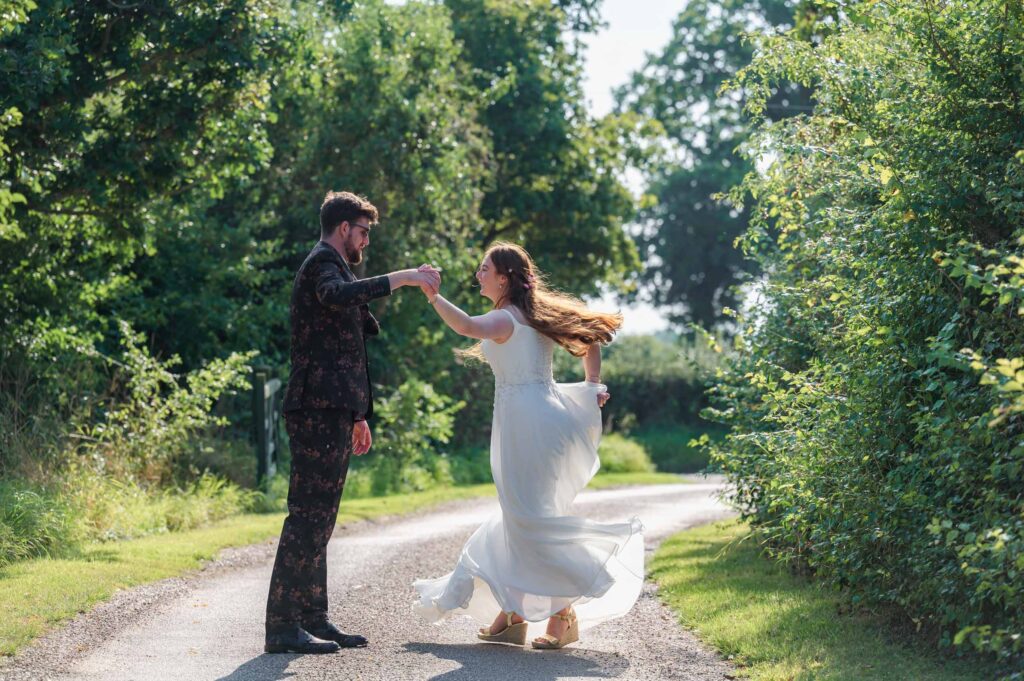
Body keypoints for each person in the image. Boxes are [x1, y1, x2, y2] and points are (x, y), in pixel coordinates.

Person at [412, 242, 644, 649]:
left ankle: (561, 614)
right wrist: (591, 385)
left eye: (485, 268)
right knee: (522, 515)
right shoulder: (536, 315)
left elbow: (465, 325)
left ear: (504, 277)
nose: (478, 273)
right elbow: (593, 339)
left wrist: (432, 295)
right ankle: (513, 614)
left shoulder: (505, 318)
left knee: (530, 518)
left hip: (526, 423)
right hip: (542, 416)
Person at [264, 190, 441, 654]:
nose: (366, 240)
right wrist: (402, 278)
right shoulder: (323, 263)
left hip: (334, 410)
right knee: (307, 519)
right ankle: (282, 626)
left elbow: (348, 348)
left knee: (321, 521)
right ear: (344, 228)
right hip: (315, 410)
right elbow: (333, 296)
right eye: (363, 231)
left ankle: (313, 618)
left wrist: (359, 413)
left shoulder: (337, 264)